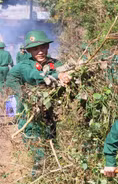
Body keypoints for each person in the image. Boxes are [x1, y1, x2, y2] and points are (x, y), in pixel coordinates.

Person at [6, 30, 71, 172]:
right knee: (39, 157)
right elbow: (34, 76)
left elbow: (66, 71)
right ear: (29, 50)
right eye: (35, 49)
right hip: (30, 117)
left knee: (54, 150)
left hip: (49, 116)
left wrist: (67, 75)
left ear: (48, 47)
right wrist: (59, 75)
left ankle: (53, 182)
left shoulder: (54, 63)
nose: (40, 51)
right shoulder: (24, 66)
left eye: (43, 47)